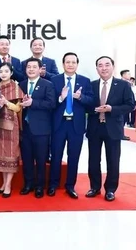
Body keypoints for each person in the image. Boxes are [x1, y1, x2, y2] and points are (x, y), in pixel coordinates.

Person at [86, 56, 135, 202]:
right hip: (95, 127)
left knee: (113, 160)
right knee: (93, 160)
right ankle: (94, 187)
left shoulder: (123, 85)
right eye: (100, 65)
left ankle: (110, 190)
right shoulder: (92, 85)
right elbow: (87, 104)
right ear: (97, 69)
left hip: (113, 128)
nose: (104, 68)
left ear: (113, 67)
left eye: (107, 65)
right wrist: (93, 108)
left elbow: (130, 105)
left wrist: (112, 109)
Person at [48, 53, 93, 199]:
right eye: (68, 62)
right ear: (63, 64)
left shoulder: (85, 81)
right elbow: (50, 102)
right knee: (56, 156)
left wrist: (80, 97)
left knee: (74, 156)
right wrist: (61, 97)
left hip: (76, 125)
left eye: (73, 62)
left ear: (77, 64)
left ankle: (70, 186)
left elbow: (91, 101)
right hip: (59, 125)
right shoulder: (54, 80)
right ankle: (53, 184)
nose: (71, 64)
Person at [19, 58, 56, 199]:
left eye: (34, 67)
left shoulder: (48, 85)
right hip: (25, 128)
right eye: (29, 67)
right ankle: (28, 184)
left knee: (41, 160)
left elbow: (51, 104)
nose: (31, 69)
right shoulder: (21, 84)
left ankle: (40, 186)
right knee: (27, 159)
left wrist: (33, 102)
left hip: (41, 129)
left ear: (40, 69)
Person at [0, 62, 24, 198]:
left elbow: (18, 108)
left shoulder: (16, 88)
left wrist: (6, 102)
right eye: (1, 71)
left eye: (6, 71)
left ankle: (8, 185)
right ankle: (3, 182)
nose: (3, 74)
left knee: (11, 153)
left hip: (12, 125)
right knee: (1, 154)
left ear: (11, 73)